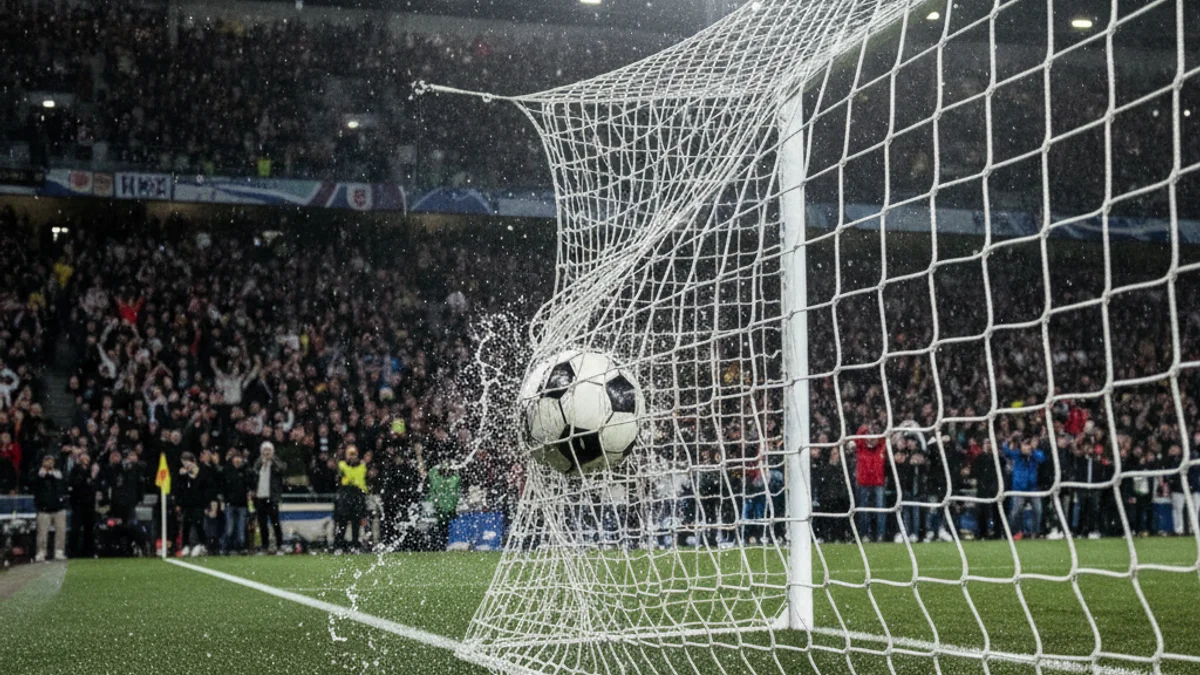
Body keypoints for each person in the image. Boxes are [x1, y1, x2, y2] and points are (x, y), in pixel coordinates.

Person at [1003, 434, 1047, 540]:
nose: (1027, 447)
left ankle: (1035, 533)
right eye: (1025, 445)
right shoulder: (1017, 454)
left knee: (1038, 510)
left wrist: (1031, 451)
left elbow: (1042, 458)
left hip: (1033, 487)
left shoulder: (1036, 454)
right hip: (1019, 488)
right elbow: (1006, 451)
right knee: (1015, 511)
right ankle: (1011, 533)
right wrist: (1009, 441)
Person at [853, 423, 888, 542]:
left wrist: (876, 430)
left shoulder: (881, 448)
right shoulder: (861, 448)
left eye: (874, 437)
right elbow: (857, 437)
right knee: (863, 511)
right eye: (869, 436)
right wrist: (866, 427)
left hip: (878, 483)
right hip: (864, 483)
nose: (872, 439)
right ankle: (865, 534)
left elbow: (883, 438)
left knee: (880, 510)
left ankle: (880, 535)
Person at [31, 455, 68, 562]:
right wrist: (42, 474)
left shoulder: (58, 474)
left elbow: (64, 485)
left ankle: (59, 551)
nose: (49, 463)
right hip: (44, 508)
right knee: (42, 532)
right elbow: (33, 483)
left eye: (51, 461)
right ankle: (41, 552)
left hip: (59, 507)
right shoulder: (38, 474)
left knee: (61, 530)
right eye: (47, 461)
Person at [252, 441, 286, 552]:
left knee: (275, 523)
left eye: (269, 450)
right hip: (260, 497)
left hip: (271, 498)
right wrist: (262, 463)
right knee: (262, 524)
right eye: (264, 450)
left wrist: (273, 460)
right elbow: (252, 473)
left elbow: (283, 469)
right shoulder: (258, 463)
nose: (266, 453)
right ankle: (265, 546)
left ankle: (280, 545)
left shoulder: (275, 463)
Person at [334, 445, 368, 551]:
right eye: (350, 454)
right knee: (342, 521)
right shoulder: (342, 465)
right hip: (346, 493)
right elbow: (338, 477)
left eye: (354, 454)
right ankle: (339, 544)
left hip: (358, 494)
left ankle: (355, 544)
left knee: (356, 522)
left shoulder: (362, 466)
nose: (352, 457)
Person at [67, 451, 100, 558]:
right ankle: (72, 552)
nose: (85, 458)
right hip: (78, 504)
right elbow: (75, 483)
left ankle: (88, 552)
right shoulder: (75, 470)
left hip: (90, 504)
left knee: (89, 529)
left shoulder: (93, 470)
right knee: (75, 528)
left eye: (87, 456)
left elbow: (95, 485)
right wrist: (89, 476)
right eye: (83, 456)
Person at [176, 452, 208, 556]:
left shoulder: (201, 471)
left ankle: (202, 545)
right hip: (187, 504)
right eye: (184, 463)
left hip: (199, 503)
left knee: (198, 524)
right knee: (186, 524)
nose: (186, 465)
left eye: (188, 462)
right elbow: (180, 489)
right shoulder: (183, 475)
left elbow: (203, 485)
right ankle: (185, 546)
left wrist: (195, 474)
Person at [221, 450, 251, 553]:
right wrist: (223, 500)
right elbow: (223, 487)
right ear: (232, 459)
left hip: (242, 504)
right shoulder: (227, 470)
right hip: (230, 503)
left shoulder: (246, 471)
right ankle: (225, 547)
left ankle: (240, 548)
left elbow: (250, 485)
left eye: (239, 458)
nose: (238, 460)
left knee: (241, 529)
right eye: (236, 457)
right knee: (229, 528)